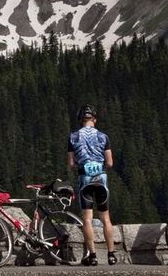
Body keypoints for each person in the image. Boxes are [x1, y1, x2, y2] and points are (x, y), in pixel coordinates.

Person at [67, 104, 117, 266]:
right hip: (101, 179)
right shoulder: (103, 137)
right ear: (94, 119)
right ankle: (111, 255)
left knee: (87, 219)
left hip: (84, 179)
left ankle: (93, 255)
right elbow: (109, 163)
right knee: (106, 218)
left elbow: (71, 163)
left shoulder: (73, 137)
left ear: (81, 120)